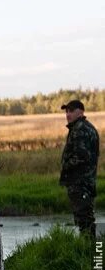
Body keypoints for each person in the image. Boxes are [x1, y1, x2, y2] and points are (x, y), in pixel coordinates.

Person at [59, 99, 100, 235]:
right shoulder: (82, 127)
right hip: (83, 182)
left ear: (80, 112)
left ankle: (92, 253)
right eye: (66, 111)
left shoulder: (80, 129)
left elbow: (81, 157)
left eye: (71, 111)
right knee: (85, 219)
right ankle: (90, 251)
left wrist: (65, 167)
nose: (68, 114)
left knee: (85, 221)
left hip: (80, 183)